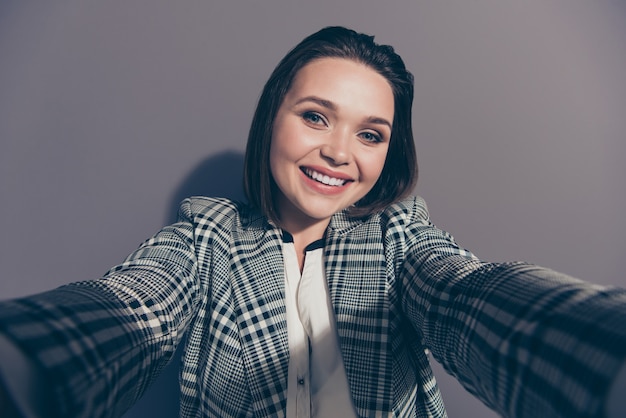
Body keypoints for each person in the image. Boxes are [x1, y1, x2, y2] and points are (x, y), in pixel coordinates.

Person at [0, 26, 625, 418]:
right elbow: (137, 310)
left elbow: (464, 296)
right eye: (316, 117)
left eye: (371, 133)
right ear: (273, 118)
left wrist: (600, 353)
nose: (339, 153)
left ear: (390, 151)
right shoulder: (205, 237)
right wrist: (27, 362)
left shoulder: (399, 238)